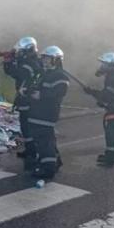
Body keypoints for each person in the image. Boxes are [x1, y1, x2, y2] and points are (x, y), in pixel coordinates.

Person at [0, 36, 42, 170]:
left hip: (28, 99)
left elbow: (13, 72)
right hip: (28, 98)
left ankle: (33, 152)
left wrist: (8, 60)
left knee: (28, 126)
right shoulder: (30, 61)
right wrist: (11, 57)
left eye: (21, 51)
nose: (19, 53)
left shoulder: (29, 65)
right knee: (26, 126)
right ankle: (30, 150)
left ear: (28, 50)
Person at [27, 46, 70, 179]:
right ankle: (54, 161)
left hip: (46, 113)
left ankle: (48, 169)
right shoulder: (43, 73)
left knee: (45, 141)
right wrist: (27, 91)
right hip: (36, 112)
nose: (44, 61)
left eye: (47, 58)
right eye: (44, 58)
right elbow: (34, 86)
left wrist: (41, 95)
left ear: (56, 60)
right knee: (44, 141)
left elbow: (59, 92)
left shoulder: (60, 75)